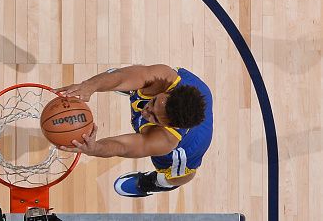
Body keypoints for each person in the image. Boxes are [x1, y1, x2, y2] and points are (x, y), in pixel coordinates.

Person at [54, 64, 212, 197]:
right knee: (123, 76)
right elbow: (122, 77)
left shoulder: (165, 141)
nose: (146, 112)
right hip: (200, 92)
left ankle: (154, 183)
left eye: (155, 118)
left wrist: (95, 148)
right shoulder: (165, 78)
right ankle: (135, 89)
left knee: (179, 175)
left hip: (191, 146)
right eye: (154, 102)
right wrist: (90, 85)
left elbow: (122, 146)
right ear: (169, 92)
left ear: (170, 126)